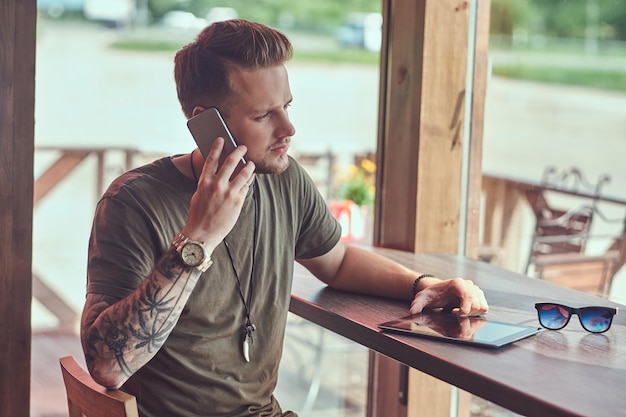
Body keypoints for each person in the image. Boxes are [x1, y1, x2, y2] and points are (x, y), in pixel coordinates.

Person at [80, 19, 488, 417]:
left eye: (286, 106)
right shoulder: (131, 203)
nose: (288, 128)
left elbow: (338, 262)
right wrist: (199, 237)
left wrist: (423, 285)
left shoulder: (284, 179)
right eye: (264, 116)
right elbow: (107, 367)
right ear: (206, 124)